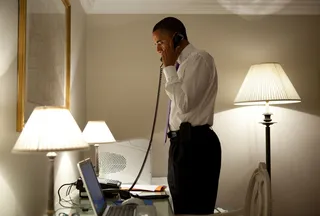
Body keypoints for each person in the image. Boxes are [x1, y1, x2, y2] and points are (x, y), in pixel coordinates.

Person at [152, 17, 222, 215]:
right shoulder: (180, 67)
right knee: (180, 207)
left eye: (160, 42)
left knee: (193, 209)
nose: (157, 49)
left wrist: (168, 68)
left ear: (177, 38)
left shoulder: (200, 59)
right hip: (181, 144)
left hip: (196, 145)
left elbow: (184, 105)